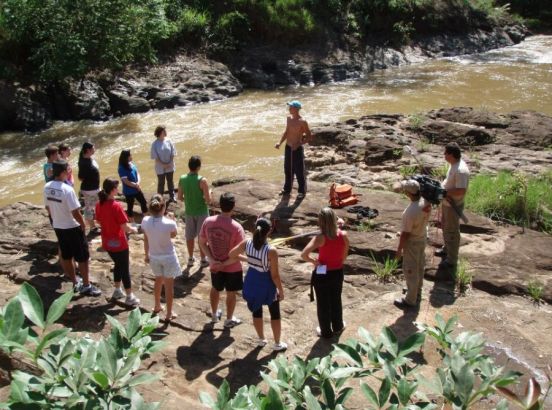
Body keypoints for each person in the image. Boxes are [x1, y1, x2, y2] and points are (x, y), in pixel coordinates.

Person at [226, 218, 287, 351]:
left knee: (256, 310)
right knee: (274, 313)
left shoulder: (247, 243)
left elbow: (232, 254)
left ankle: (261, 339)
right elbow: (275, 275)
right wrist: (281, 291)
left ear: (255, 229)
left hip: (252, 279)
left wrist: (250, 260)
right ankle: (277, 343)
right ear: (269, 231)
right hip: (266, 282)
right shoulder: (271, 250)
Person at [44, 160, 101, 297]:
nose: (69, 171)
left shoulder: (47, 187)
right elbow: (75, 211)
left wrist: (56, 219)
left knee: (66, 255)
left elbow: (48, 208)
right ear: (63, 172)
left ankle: (75, 282)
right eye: (68, 169)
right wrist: (82, 224)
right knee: (82, 257)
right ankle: (86, 285)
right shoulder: (67, 190)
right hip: (72, 226)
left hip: (58, 226)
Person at [199, 193, 245, 328]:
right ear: (233, 207)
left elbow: (201, 243)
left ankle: (214, 315)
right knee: (231, 292)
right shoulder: (237, 228)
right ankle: (229, 319)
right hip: (232, 267)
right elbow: (239, 253)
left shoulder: (208, 221)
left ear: (220, 205)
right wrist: (223, 264)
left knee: (215, 288)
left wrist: (213, 260)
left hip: (215, 265)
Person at [301, 207, 349, 338]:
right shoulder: (343, 235)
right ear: (334, 219)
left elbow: (304, 254)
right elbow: (344, 255)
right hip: (337, 271)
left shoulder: (319, 238)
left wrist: (314, 261)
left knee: (323, 303)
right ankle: (338, 326)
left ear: (320, 221)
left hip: (322, 273)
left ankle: (326, 331)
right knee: (335, 300)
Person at [95, 178, 140, 307]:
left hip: (107, 243)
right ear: (113, 190)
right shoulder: (116, 206)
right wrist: (134, 229)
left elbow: (98, 221)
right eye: (117, 187)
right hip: (119, 243)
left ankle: (117, 290)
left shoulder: (99, 204)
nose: (118, 189)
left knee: (118, 265)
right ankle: (129, 296)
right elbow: (125, 227)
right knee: (124, 268)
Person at [141, 194, 182, 322]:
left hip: (154, 256)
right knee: (169, 286)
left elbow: (146, 238)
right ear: (163, 207)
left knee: (158, 280)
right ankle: (169, 313)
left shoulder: (145, 221)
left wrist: (146, 254)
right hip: (168, 257)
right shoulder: (169, 223)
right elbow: (173, 235)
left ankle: (157, 306)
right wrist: (173, 220)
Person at [393, 180, 429, 309]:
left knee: (410, 270)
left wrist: (399, 250)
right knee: (419, 266)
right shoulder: (426, 201)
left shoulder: (410, 212)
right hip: (422, 237)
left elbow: (406, 234)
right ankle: (416, 291)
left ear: (408, 193)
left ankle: (410, 300)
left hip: (412, 242)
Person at [437, 142, 470, 269]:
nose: (444, 155)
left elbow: (461, 190)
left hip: (453, 204)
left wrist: (444, 192)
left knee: (452, 230)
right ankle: (446, 249)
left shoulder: (461, 170)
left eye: (446, 153)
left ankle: (452, 260)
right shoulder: (453, 165)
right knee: (445, 226)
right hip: (446, 202)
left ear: (451, 154)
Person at [274, 100, 313, 199]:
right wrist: (280, 142)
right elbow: (286, 132)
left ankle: (301, 191)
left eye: (291, 107)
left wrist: (299, 143)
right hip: (288, 147)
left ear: (296, 109)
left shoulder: (303, 122)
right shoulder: (288, 119)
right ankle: (287, 189)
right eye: (289, 107)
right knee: (287, 169)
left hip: (297, 149)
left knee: (299, 170)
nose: (289, 109)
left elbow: (309, 137)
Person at [178, 155, 210, 268]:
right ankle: (203, 259)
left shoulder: (182, 178)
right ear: (198, 167)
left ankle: (191, 258)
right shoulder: (202, 180)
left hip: (189, 212)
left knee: (189, 236)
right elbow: (208, 200)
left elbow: (180, 197)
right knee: (202, 237)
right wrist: (209, 194)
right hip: (201, 212)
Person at [118, 149, 148, 221]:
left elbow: (137, 173)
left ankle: (146, 219)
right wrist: (135, 185)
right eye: (130, 155)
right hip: (129, 191)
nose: (132, 156)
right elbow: (125, 181)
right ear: (126, 157)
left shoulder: (131, 163)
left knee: (143, 202)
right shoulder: (121, 168)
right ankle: (132, 222)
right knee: (130, 206)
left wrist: (138, 182)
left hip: (136, 188)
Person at [78, 142, 100, 234]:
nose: (94, 149)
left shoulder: (87, 158)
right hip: (90, 190)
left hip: (93, 188)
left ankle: (93, 224)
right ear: (88, 150)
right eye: (93, 148)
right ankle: (92, 227)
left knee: (92, 207)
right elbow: (80, 177)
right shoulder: (84, 163)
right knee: (90, 208)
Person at [151, 126, 177, 203]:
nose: (165, 132)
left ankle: (172, 197)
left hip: (170, 165)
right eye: (163, 131)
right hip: (160, 167)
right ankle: (159, 198)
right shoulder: (154, 144)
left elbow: (173, 152)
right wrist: (163, 165)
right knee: (161, 183)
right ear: (159, 133)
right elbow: (155, 157)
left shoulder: (169, 141)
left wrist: (170, 162)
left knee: (170, 181)